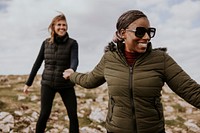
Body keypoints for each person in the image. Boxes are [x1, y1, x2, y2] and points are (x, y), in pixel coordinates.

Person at [63, 10, 200, 133]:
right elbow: (89, 81)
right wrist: (72, 75)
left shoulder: (161, 59)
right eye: (140, 32)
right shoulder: (109, 59)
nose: (146, 37)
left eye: (149, 31)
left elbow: (191, 91)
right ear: (123, 33)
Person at [23, 13, 79, 133]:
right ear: (53, 26)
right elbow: (37, 63)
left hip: (66, 84)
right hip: (48, 84)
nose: (62, 27)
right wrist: (28, 83)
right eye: (59, 24)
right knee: (44, 114)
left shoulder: (72, 43)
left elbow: (75, 59)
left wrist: (72, 69)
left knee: (73, 116)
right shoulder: (46, 43)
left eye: (64, 25)